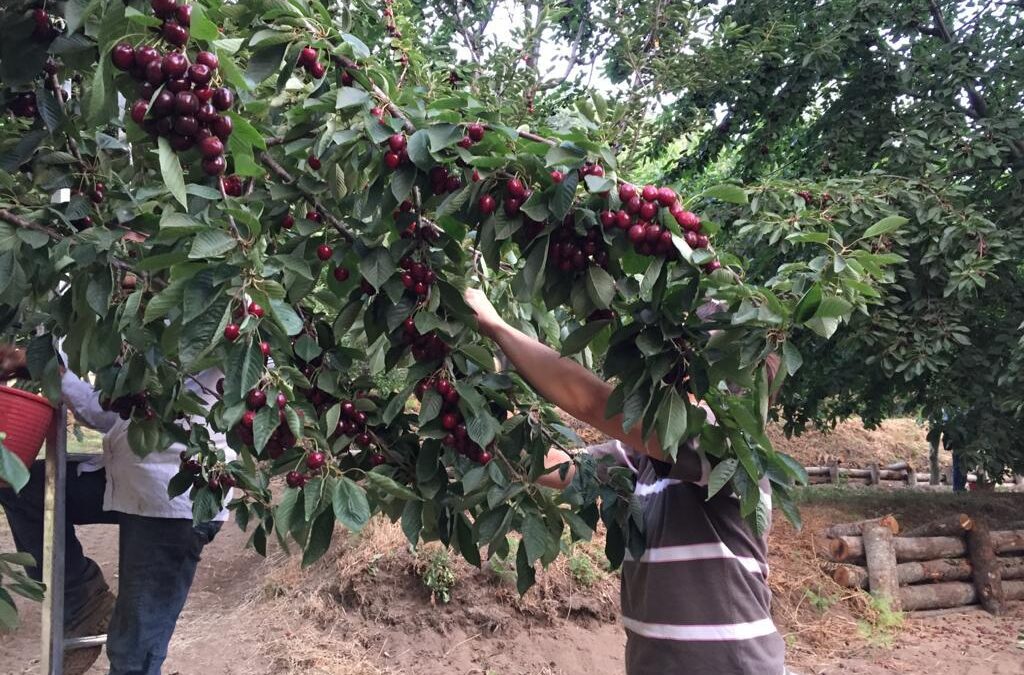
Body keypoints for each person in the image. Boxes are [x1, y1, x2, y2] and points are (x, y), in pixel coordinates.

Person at [463, 288, 788, 675]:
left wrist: (497, 327)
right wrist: (472, 418)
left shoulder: (729, 451)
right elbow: (557, 465)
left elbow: (592, 403)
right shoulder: (643, 456)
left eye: (684, 352)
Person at [0, 343, 231, 675]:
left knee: (132, 655)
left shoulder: (210, 317)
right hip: (125, 475)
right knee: (24, 487)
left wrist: (55, 371)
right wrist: (47, 368)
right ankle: (82, 597)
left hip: (174, 496)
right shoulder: (134, 333)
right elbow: (115, 414)